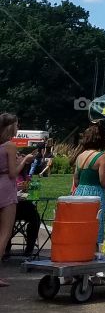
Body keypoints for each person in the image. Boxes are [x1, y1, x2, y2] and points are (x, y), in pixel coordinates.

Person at [0, 115, 38, 281]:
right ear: (11, 127)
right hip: (6, 189)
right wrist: (24, 161)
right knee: (5, 233)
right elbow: (13, 173)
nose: (18, 128)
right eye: (16, 125)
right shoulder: (10, 146)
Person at [72, 123, 105, 249]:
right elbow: (103, 181)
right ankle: (92, 253)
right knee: (94, 225)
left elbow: (76, 180)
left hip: (80, 193)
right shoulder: (101, 157)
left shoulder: (80, 156)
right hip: (95, 195)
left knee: (81, 225)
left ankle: (80, 251)